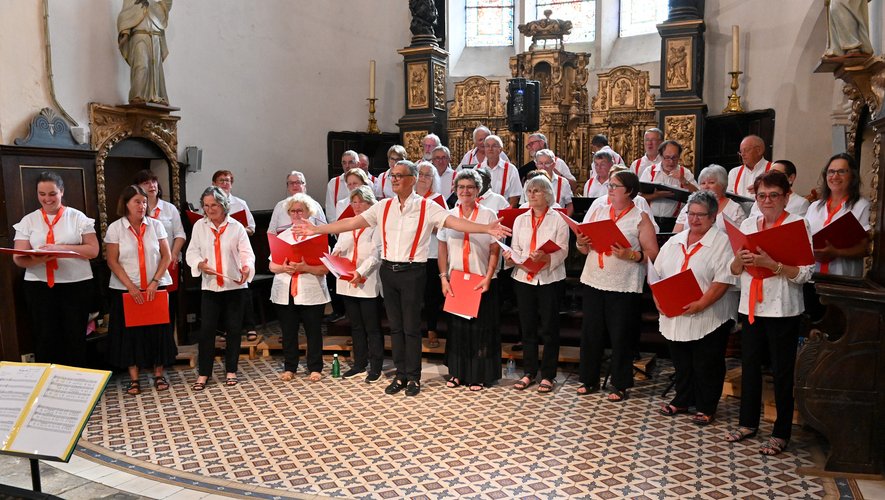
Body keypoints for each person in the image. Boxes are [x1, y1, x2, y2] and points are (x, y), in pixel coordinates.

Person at [293, 160, 510, 397]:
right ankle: (400, 374)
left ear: (413, 179)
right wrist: (315, 229)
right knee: (395, 328)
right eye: (392, 175)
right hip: (388, 271)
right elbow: (351, 222)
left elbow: (454, 222)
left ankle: (413, 377)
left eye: (399, 175)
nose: (393, 179)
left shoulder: (427, 207)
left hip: (412, 272)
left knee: (411, 328)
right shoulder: (383, 206)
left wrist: (486, 229)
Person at [725, 171, 814, 456]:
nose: (767, 201)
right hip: (752, 305)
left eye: (774, 195)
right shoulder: (749, 223)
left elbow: (805, 274)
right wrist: (739, 259)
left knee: (781, 371)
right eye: (761, 195)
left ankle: (780, 432)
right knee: (749, 365)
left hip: (783, 308)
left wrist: (772, 264)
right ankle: (748, 423)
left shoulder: (798, 223)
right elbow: (734, 271)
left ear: (787, 196)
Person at [654, 191, 738, 425]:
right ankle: (682, 399)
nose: (694, 219)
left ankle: (706, 405)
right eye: (691, 214)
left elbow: (723, 279)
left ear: (713, 216)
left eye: (701, 215)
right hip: (676, 311)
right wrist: (658, 299)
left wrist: (702, 303)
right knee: (682, 360)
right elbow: (657, 274)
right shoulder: (675, 240)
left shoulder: (722, 243)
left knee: (706, 362)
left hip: (710, 314)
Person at [576, 170, 659, 402]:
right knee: (591, 332)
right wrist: (581, 242)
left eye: (615, 186)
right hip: (593, 278)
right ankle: (589, 379)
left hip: (623, 284)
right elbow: (583, 249)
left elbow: (653, 253)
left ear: (630, 191)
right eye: (609, 185)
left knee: (621, 335)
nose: (610, 189)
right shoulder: (600, 210)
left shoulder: (640, 217)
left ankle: (620, 383)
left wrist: (631, 255)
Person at [12, 172, 100, 366]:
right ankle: (48, 384)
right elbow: (18, 257)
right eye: (42, 194)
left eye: (52, 193)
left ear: (61, 192)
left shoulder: (77, 217)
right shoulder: (29, 220)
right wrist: (40, 259)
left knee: (74, 335)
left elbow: (93, 250)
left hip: (76, 284)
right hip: (39, 286)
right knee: (45, 336)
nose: (47, 199)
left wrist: (59, 248)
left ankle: (77, 381)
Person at [105, 185, 176, 395]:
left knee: (158, 332)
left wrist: (155, 281)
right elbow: (112, 260)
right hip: (126, 289)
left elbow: (166, 256)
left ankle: (159, 374)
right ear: (125, 204)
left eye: (144, 202)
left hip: (155, 286)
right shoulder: (116, 228)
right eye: (137, 201)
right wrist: (130, 287)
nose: (142, 206)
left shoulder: (155, 226)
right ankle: (134, 379)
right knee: (130, 334)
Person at [504, 176, 569, 394]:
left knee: (550, 328)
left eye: (537, 191)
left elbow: (563, 249)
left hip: (549, 279)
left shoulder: (558, 219)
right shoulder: (520, 219)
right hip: (524, 277)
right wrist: (512, 257)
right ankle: (529, 372)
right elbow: (516, 248)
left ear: (547, 194)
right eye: (530, 191)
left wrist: (545, 258)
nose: (532, 195)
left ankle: (548, 375)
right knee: (527, 326)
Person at [185, 186, 255, 391]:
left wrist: (246, 267)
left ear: (223, 205)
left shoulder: (236, 227)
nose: (209, 209)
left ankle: (231, 370)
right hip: (211, 286)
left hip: (235, 285)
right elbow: (192, 252)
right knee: (206, 331)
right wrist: (199, 264)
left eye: (214, 205)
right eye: (206, 206)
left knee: (233, 330)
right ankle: (204, 373)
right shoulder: (199, 226)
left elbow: (247, 253)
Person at [437, 169, 502, 391]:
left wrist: (489, 276)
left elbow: (495, 249)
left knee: (480, 330)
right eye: (461, 187)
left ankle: (478, 375)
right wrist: (443, 278)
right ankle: (457, 373)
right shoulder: (447, 216)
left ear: (478, 191)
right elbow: (442, 248)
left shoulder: (488, 215)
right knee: (458, 330)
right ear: (455, 190)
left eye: (470, 188)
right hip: (456, 279)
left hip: (480, 279)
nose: (465, 191)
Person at [269, 194, 330, 382]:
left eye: (300, 210)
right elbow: (272, 265)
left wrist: (306, 268)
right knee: (288, 330)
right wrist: (284, 268)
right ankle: (290, 367)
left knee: (313, 330)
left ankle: (315, 367)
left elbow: (324, 269)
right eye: (292, 211)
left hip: (310, 287)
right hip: (285, 287)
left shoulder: (318, 235)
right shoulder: (282, 236)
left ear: (308, 213)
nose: (296, 214)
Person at [330, 186, 384, 382]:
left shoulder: (376, 225)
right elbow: (339, 245)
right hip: (347, 281)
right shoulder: (347, 223)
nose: (357, 205)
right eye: (354, 201)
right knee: (356, 326)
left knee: (372, 327)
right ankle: (359, 364)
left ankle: (376, 367)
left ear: (370, 204)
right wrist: (334, 255)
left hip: (366, 281)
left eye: (361, 201)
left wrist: (360, 271)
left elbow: (376, 254)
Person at [807, 153, 870, 277]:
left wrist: (837, 252)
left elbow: (866, 247)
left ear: (852, 176)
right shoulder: (815, 207)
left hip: (843, 278)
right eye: (831, 172)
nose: (835, 176)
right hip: (812, 277)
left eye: (841, 171)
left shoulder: (862, 206)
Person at [116, 0, 172, 104]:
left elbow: (167, 3)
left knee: (156, 67)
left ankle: (156, 96)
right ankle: (137, 95)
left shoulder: (155, 5)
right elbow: (125, 14)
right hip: (139, 36)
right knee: (141, 65)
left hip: (155, 37)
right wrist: (125, 32)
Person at [416, 161, 447, 349]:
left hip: (432, 253)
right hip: (411, 253)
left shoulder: (438, 199)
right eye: (420, 174)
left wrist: (426, 223)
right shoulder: (410, 197)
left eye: (428, 175)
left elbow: (443, 226)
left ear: (433, 179)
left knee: (431, 295)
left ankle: (431, 329)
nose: (423, 178)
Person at [640, 140, 699, 232]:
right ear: (660, 156)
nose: (671, 162)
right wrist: (655, 196)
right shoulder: (649, 171)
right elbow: (638, 197)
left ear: (679, 156)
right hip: (651, 220)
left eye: (674, 158)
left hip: (674, 222)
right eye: (667, 157)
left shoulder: (685, 173)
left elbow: (698, 196)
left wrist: (683, 181)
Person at [673, 165, 747, 232]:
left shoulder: (734, 209)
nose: (706, 186)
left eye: (711, 182)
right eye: (703, 183)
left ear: (722, 185)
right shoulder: (690, 205)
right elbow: (675, 234)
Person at [479, 135, 522, 207]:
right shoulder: (477, 169)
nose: (490, 149)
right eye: (487, 146)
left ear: (501, 149)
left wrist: (505, 214)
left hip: (502, 212)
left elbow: (514, 198)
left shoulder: (511, 169)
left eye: (494, 146)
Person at [531, 149, 574, 216]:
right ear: (536, 165)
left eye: (547, 163)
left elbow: (570, 204)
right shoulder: (529, 182)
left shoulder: (563, 182)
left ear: (553, 164)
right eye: (540, 163)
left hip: (556, 222)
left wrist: (564, 221)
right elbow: (523, 204)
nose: (543, 167)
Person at [326, 150, 362, 217]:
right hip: (340, 224)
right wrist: (336, 226)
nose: (347, 166)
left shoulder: (368, 183)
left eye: (351, 162)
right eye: (344, 163)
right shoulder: (333, 183)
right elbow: (330, 209)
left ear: (358, 164)